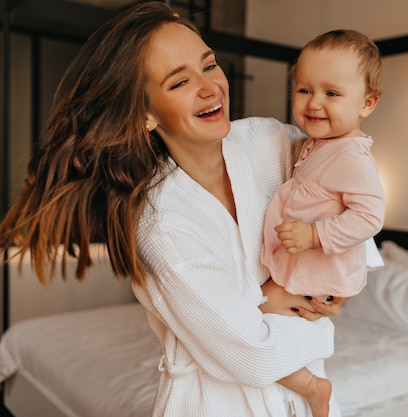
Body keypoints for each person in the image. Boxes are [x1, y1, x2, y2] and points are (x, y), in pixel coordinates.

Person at [0, 2, 344, 416]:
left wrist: (334, 283)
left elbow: (347, 189)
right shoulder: (160, 223)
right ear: (145, 113)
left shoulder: (271, 142)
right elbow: (254, 355)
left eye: (210, 65)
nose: (210, 87)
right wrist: (311, 322)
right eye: (180, 82)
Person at [259, 29, 385, 417]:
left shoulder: (352, 156)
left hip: (319, 270)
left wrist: (314, 234)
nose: (314, 103)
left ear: (367, 103)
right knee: (266, 318)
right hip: (305, 266)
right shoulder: (316, 144)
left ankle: (313, 388)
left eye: (332, 93)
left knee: (254, 317)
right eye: (304, 90)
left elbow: (369, 217)